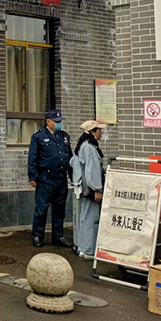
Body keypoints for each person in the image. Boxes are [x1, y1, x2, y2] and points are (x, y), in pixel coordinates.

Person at [27, 109, 74, 249]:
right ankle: (37, 235)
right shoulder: (39, 136)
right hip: (45, 179)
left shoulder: (64, 136)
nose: (59, 123)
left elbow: (69, 157)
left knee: (59, 210)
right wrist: (32, 176)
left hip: (61, 178)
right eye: (56, 121)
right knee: (41, 209)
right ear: (48, 122)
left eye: (60, 121)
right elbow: (33, 158)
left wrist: (72, 176)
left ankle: (58, 236)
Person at [71, 120, 106, 259]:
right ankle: (89, 250)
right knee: (92, 219)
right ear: (92, 131)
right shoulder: (90, 148)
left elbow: (73, 164)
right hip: (91, 189)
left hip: (82, 188)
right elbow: (93, 170)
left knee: (85, 218)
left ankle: (83, 248)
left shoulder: (82, 146)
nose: (101, 133)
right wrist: (97, 189)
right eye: (99, 130)